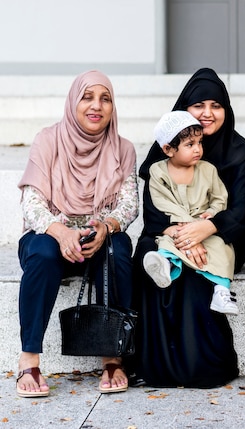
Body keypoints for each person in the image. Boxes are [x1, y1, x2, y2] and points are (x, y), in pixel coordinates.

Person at [16, 70, 139, 397]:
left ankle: (113, 354)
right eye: (87, 97)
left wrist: (106, 226)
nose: (96, 105)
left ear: (113, 107)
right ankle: (29, 357)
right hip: (50, 236)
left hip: (96, 238)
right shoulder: (48, 139)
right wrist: (61, 232)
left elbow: (128, 205)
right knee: (42, 252)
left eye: (105, 98)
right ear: (74, 101)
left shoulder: (123, 149)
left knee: (119, 249)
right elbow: (31, 201)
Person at [131, 68, 245, 387]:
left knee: (195, 278)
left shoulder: (240, 153)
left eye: (216, 105)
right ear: (184, 109)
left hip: (221, 237)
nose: (207, 113)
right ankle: (155, 366)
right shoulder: (165, 149)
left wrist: (206, 229)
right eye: (199, 105)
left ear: (226, 110)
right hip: (169, 233)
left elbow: (240, 212)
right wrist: (183, 233)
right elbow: (153, 210)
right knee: (148, 257)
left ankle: (205, 368)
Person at [143, 110, 238, 315]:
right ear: (168, 149)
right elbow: (162, 201)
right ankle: (166, 266)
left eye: (199, 142)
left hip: (204, 227)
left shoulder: (208, 170)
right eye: (190, 145)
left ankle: (222, 292)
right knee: (167, 242)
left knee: (222, 248)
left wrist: (211, 213)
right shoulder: (157, 171)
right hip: (177, 225)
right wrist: (186, 226)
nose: (198, 149)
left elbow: (220, 198)